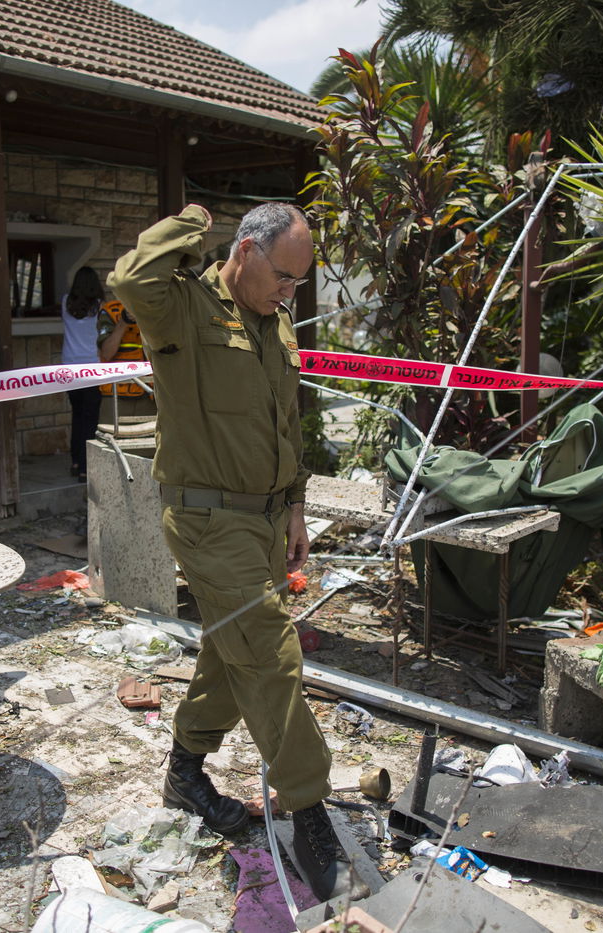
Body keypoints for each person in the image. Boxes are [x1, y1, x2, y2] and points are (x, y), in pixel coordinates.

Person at [108, 203, 363, 902]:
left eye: (298, 281)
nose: (291, 291)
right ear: (245, 252)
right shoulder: (183, 309)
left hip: (264, 517)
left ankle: (185, 771)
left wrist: (296, 506)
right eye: (283, 275)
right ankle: (309, 809)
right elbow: (131, 277)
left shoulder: (274, 319)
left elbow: (285, 419)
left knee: (231, 646)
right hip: (206, 517)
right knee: (271, 654)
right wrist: (192, 221)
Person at [60, 266, 104, 480]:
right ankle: (87, 467)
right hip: (93, 368)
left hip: (69, 368)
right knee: (91, 419)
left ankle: (76, 462)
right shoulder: (99, 307)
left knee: (76, 416)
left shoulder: (65, 302)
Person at [96, 297, 156, 424]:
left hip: (149, 392)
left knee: (149, 441)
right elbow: (106, 353)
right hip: (116, 394)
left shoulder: (154, 309)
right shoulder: (111, 312)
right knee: (111, 439)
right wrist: (124, 321)